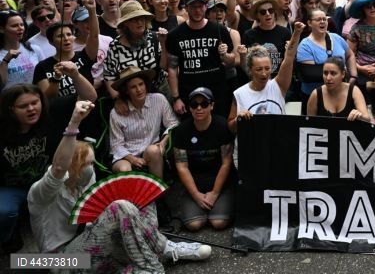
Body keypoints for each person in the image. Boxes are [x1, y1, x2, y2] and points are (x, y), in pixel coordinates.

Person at [28, 100, 211, 271]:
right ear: (73, 166)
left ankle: (150, 255)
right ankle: (154, 263)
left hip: (92, 246)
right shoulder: (41, 192)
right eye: (87, 165)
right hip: (60, 261)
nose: (92, 169)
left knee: (142, 196)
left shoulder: (84, 181)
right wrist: (74, 122)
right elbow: (59, 168)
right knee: (120, 208)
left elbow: (96, 222)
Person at [0, 84, 53, 253]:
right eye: (23, 106)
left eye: (35, 103)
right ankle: (7, 237)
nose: (31, 109)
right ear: (10, 110)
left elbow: (89, 97)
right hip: (10, 187)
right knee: (5, 212)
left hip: (44, 181)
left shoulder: (49, 120)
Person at [173, 87, 235, 231]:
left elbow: (226, 163)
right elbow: (182, 166)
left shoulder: (222, 126)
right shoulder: (182, 130)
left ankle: (219, 205)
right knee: (194, 224)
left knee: (218, 223)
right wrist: (195, 195)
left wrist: (215, 193)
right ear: (189, 108)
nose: (199, 108)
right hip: (195, 184)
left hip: (220, 184)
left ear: (212, 105)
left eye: (204, 104)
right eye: (194, 105)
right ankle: (197, 205)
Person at [166, 0, 234, 118]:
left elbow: (231, 61)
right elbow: (172, 68)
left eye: (200, 6)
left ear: (206, 7)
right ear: (186, 8)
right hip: (188, 93)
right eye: (193, 7)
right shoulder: (175, 35)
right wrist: (176, 98)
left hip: (217, 93)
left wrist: (225, 55)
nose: (197, 10)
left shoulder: (220, 30)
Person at [230, 23, 304, 131]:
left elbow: (289, 57)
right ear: (250, 70)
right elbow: (231, 128)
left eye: (267, 68)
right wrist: (238, 119)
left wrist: (297, 33)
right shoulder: (239, 94)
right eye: (259, 69)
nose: (264, 73)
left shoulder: (278, 86)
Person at [109, 66, 178, 178]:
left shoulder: (158, 99)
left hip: (150, 152)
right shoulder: (116, 113)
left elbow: (173, 123)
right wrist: (132, 159)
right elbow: (116, 145)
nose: (139, 90)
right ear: (126, 91)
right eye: (133, 87)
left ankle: (158, 191)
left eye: (141, 84)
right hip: (126, 156)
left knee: (154, 150)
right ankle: (132, 195)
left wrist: (164, 141)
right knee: (124, 169)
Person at [297, 8, 358, 113]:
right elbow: (310, 74)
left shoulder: (336, 38)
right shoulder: (305, 45)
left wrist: (353, 76)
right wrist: (340, 73)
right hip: (314, 97)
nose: (322, 22)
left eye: (324, 19)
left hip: (340, 94)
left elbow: (350, 55)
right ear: (309, 23)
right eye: (318, 19)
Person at [306, 56, 370, 121]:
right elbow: (309, 124)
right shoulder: (316, 94)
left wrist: (360, 116)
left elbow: (367, 119)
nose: (328, 78)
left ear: (343, 74)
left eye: (333, 73)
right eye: (325, 73)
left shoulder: (354, 91)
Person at [0, 10, 44, 88]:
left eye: (22, 24)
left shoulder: (34, 49)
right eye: (14, 26)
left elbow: (45, 74)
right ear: (2, 29)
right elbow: (1, 83)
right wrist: (5, 61)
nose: (20, 28)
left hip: (35, 97)